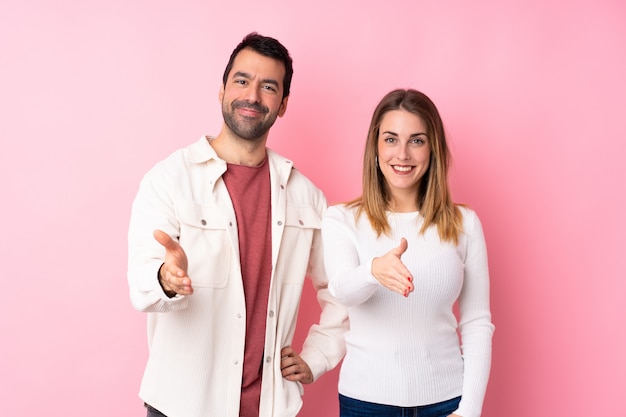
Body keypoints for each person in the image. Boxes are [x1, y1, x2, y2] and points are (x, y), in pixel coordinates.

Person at [127, 32, 348, 417]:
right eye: (242, 81)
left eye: (268, 87)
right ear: (222, 90)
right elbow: (141, 285)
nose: (252, 96)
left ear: (282, 104)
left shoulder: (306, 197)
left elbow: (342, 290)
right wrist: (166, 278)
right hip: (181, 405)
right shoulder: (169, 179)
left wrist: (319, 355)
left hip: (269, 406)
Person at [321, 89, 494, 417]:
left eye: (416, 140)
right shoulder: (341, 219)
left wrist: (469, 410)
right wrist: (374, 270)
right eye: (390, 139)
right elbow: (342, 289)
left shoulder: (464, 224)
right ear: (375, 146)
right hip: (365, 404)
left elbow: (476, 322)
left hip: (446, 402)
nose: (402, 154)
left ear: (433, 150)